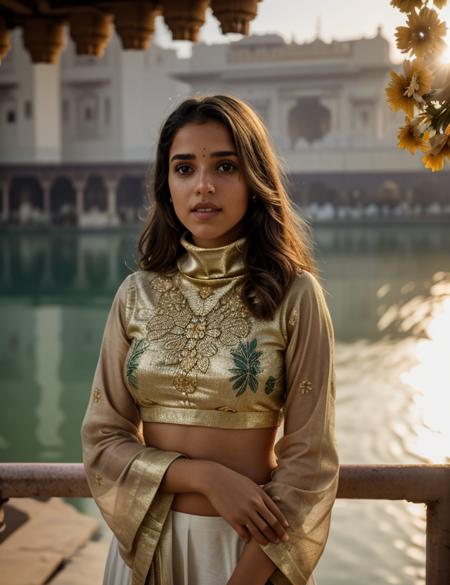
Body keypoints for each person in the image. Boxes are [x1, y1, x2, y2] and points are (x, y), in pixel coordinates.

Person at [81, 94, 339, 585]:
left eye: (225, 166)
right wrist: (205, 477)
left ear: (254, 179)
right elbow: (102, 439)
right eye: (184, 169)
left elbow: (311, 460)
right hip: (144, 549)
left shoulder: (295, 294)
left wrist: (245, 578)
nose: (203, 186)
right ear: (166, 186)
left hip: (249, 553)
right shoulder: (137, 295)